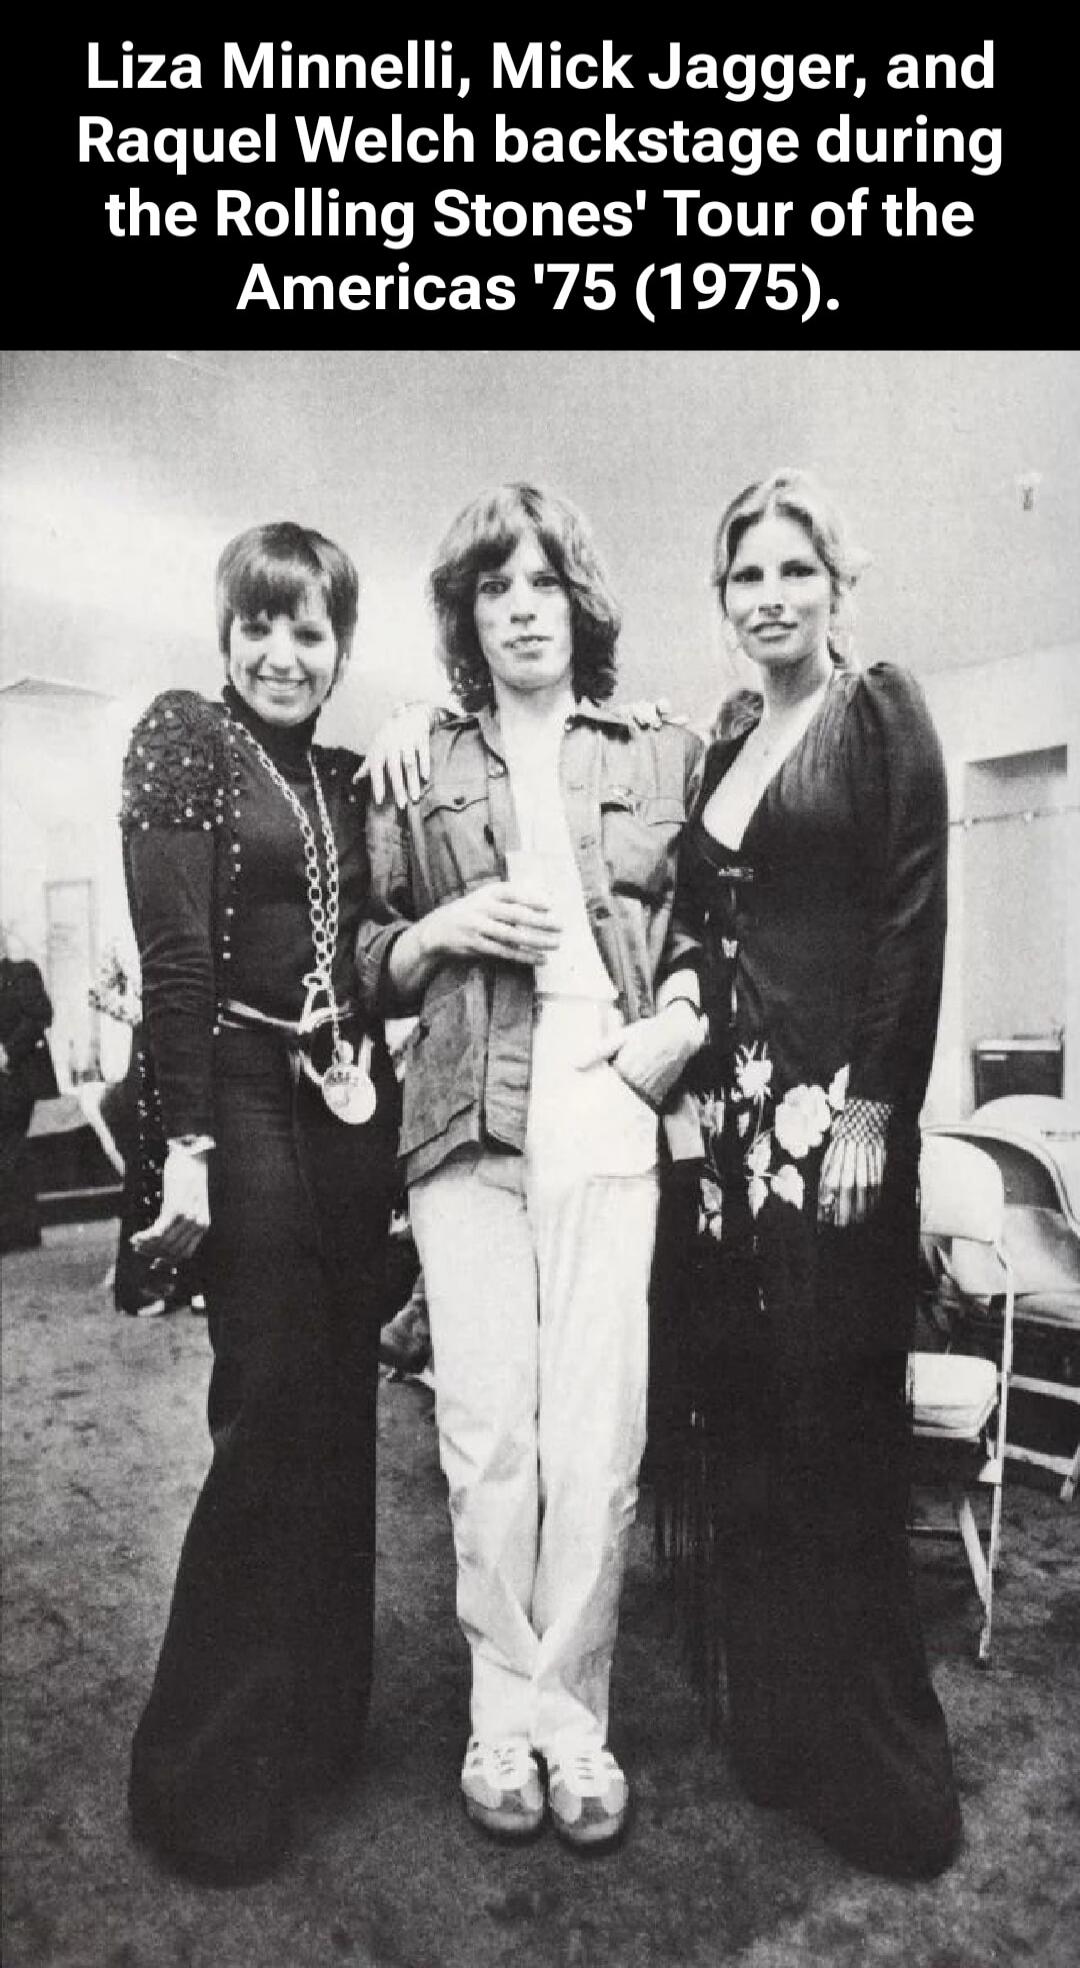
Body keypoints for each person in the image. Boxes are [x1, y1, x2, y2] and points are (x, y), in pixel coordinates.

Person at [358, 482, 707, 1849]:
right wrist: (441, 922)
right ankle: (502, 1724)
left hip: (607, 1103)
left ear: (579, 600)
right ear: (467, 614)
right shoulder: (416, 759)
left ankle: (576, 1724)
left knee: (597, 1437)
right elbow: (367, 964)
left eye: (542, 582)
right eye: (494, 588)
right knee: (486, 1437)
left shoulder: (664, 751)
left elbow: (711, 929)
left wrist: (670, 1032)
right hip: (462, 1115)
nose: (520, 607)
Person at [659, 469, 961, 1878]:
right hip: (726, 1146)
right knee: (758, 1445)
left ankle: (887, 1781)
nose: (770, 597)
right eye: (745, 578)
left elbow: (910, 921)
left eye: (793, 571)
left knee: (841, 1442)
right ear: (721, 603)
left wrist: (875, 1116)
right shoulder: (723, 738)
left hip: (835, 1133)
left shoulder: (879, 709)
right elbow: (694, 930)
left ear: (837, 584)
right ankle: (783, 1740)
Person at [121, 521, 399, 1883]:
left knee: (339, 1409)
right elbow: (174, 963)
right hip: (234, 1093)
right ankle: (203, 1766)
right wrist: (182, 1150)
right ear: (226, 632)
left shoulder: (338, 774)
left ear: (340, 645)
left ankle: (315, 1723)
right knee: (272, 1402)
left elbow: (371, 937)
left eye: (312, 630)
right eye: (262, 626)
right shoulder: (184, 736)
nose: (285, 653)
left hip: (343, 1100)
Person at [0, 934, 58, 1252]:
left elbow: (40, 1015)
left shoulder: (20, 973)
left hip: (17, 1078)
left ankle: (19, 1232)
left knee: (11, 1152)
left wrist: (8, 1051)